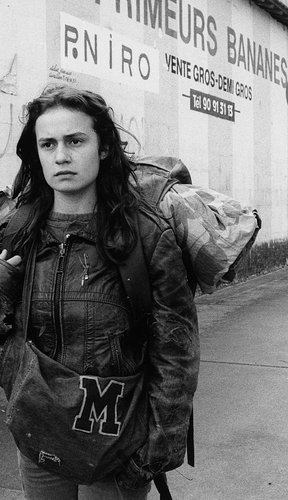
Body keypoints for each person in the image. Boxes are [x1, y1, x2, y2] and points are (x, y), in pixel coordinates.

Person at [0, 85, 199, 499]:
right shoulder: (17, 231)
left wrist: (155, 449)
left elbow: (175, 350)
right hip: (40, 438)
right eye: (48, 144)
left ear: (104, 147)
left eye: (75, 141)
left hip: (117, 447)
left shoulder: (145, 235)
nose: (61, 156)